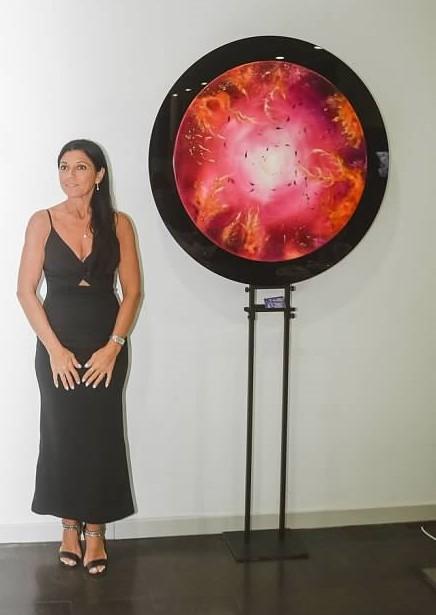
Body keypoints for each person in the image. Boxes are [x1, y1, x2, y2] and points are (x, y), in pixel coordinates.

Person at [17, 139, 141, 576]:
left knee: (101, 436)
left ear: (99, 175)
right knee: (63, 434)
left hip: (107, 346)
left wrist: (113, 347)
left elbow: (133, 292)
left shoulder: (120, 224)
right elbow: (25, 292)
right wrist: (55, 350)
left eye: (81, 167)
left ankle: (96, 531)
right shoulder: (43, 221)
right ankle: (69, 527)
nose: (70, 175)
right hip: (57, 348)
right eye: (64, 167)